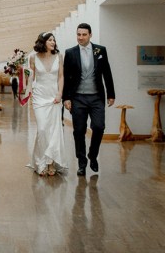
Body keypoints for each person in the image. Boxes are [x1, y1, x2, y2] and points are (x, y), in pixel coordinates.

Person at [63, 23, 115, 176]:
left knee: (99, 127)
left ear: (90, 35)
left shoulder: (100, 50)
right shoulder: (70, 53)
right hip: (77, 97)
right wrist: (66, 98)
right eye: (78, 34)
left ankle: (92, 155)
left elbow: (107, 73)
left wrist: (111, 94)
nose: (81, 37)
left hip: (96, 97)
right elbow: (66, 77)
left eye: (84, 34)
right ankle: (81, 162)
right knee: (79, 131)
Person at [23, 32, 68, 176]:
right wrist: (25, 81)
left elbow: (61, 76)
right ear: (43, 42)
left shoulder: (59, 56)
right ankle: (40, 161)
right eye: (50, 40)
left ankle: (51, 162)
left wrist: (60, 94)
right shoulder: (33, 57)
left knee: (53, 130)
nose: (53, 42)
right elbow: (31, 78)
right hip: (39, 97)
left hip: (54, 97)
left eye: (54, 40)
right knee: (42, 129)